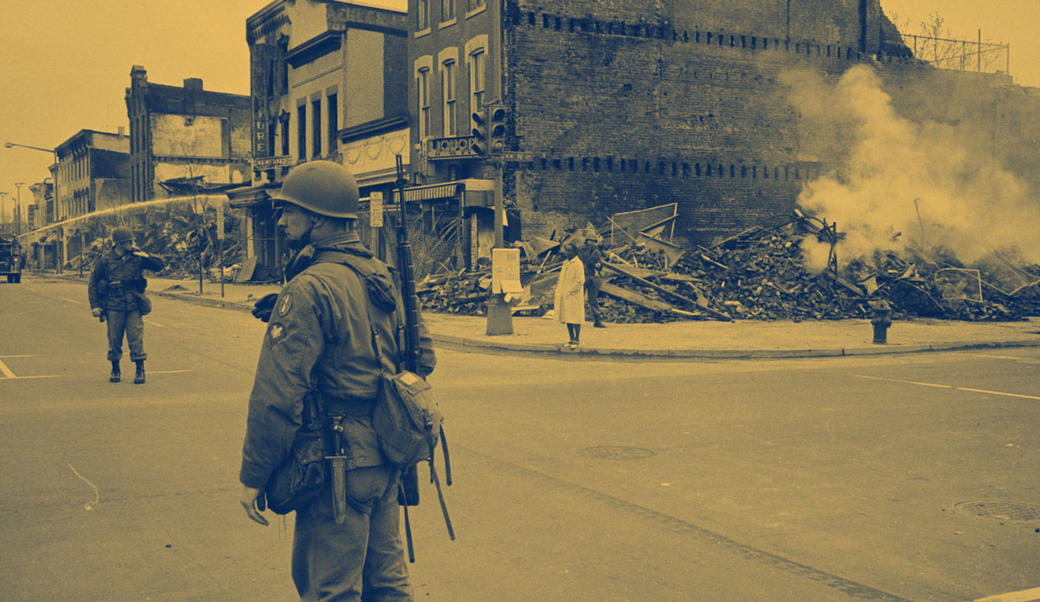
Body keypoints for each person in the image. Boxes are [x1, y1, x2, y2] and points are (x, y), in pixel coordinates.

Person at [238, 160, 436, 600]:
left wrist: (255, 474)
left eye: (291, 211)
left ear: (319, 218)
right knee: (386, 584)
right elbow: (423, 358)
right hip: (387, 455)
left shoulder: (310, 288)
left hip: (337, 462)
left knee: (330, 589)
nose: (283, 220)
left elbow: (277, 395)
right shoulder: (381, 274)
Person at [87, 226, 164, 384]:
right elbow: (93, 283)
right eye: (129, 241)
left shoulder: (137, 257)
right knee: (114, 339)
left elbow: (159, 266)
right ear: (119, 243)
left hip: (133, 304)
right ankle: (115, 368)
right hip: (113, 304)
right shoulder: (105, 261)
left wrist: (145, 254)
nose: (132, 244)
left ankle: (139, 369)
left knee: (136, 337)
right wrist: (95, 305)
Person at [554, 241, 586, 347]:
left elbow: (580, 280)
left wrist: (570, 290)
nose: (567, 253)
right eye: (566, 250)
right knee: (568, 317)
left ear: (574, 252)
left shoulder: (578, 264)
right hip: (565, 294)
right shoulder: (566, 263)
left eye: (569, 250)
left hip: (574, 295)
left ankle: (577, 339)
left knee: (576, 317)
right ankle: (571, 338)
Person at [575, 227, 606, 328]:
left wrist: (598, 265)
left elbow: (599, 262)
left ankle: (597, 321)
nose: (592, 242)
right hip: (581, 276)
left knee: (593, 299)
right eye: (590, 240)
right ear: (586, 241)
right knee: (579, 298)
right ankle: (576, 320)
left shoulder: (596, 251)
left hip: (591, 277)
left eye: (593, 241)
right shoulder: (580, 250)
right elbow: (577, 262)